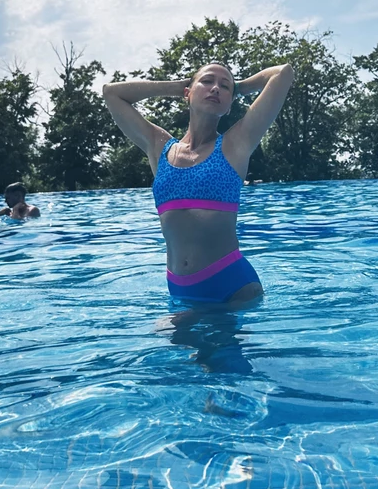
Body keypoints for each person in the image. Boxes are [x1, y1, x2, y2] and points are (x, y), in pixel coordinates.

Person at [102, 61, 294, 307]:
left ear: (230, 102)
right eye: (207, 81)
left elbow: (283, 73)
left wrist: (240, 88)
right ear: (188, 93)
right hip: (181, 291)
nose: (215, 89)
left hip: (232, 288)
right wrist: (177, 86)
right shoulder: (158, 146)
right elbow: (112, 93)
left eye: (224, 87)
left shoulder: (236, 144)